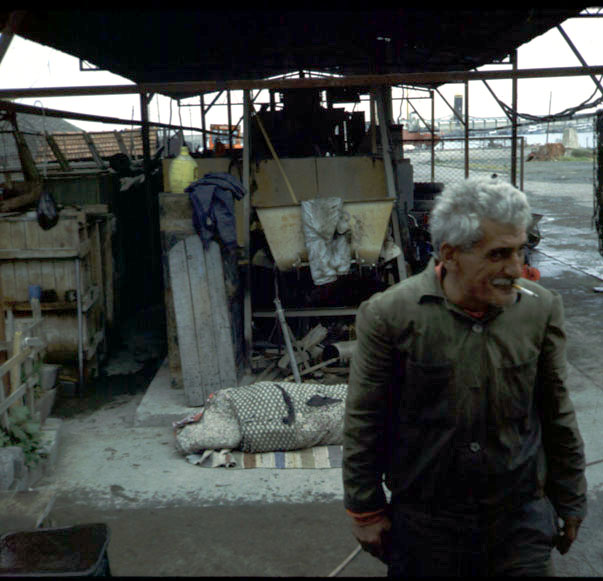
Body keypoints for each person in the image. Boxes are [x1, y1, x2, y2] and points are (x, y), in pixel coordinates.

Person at [342, 177, 587, 576]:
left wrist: (571, 498)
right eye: (498, 255)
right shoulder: (390, 315)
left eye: (520, 250)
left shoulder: (541, 310)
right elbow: (365, 419)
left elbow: (556, 409)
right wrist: (365, 508)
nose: (515, 268)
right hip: (425, 524)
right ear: (450, 254)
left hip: (519, 522)